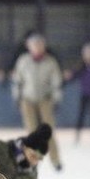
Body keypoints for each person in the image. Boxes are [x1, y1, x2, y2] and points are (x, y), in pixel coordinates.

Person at [11, 33, 63, 170]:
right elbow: (17, 81)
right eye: (34, 45)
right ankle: (31, 161)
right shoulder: (23, 61)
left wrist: (56, 98)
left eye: (40, 45)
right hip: (27, 100)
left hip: (45, 99)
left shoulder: (50, 62)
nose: (37, 48)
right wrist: (17, 96)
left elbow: (56, 82)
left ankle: (55, 160)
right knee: (31, 132)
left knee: (48, 131)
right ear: (29, 47)